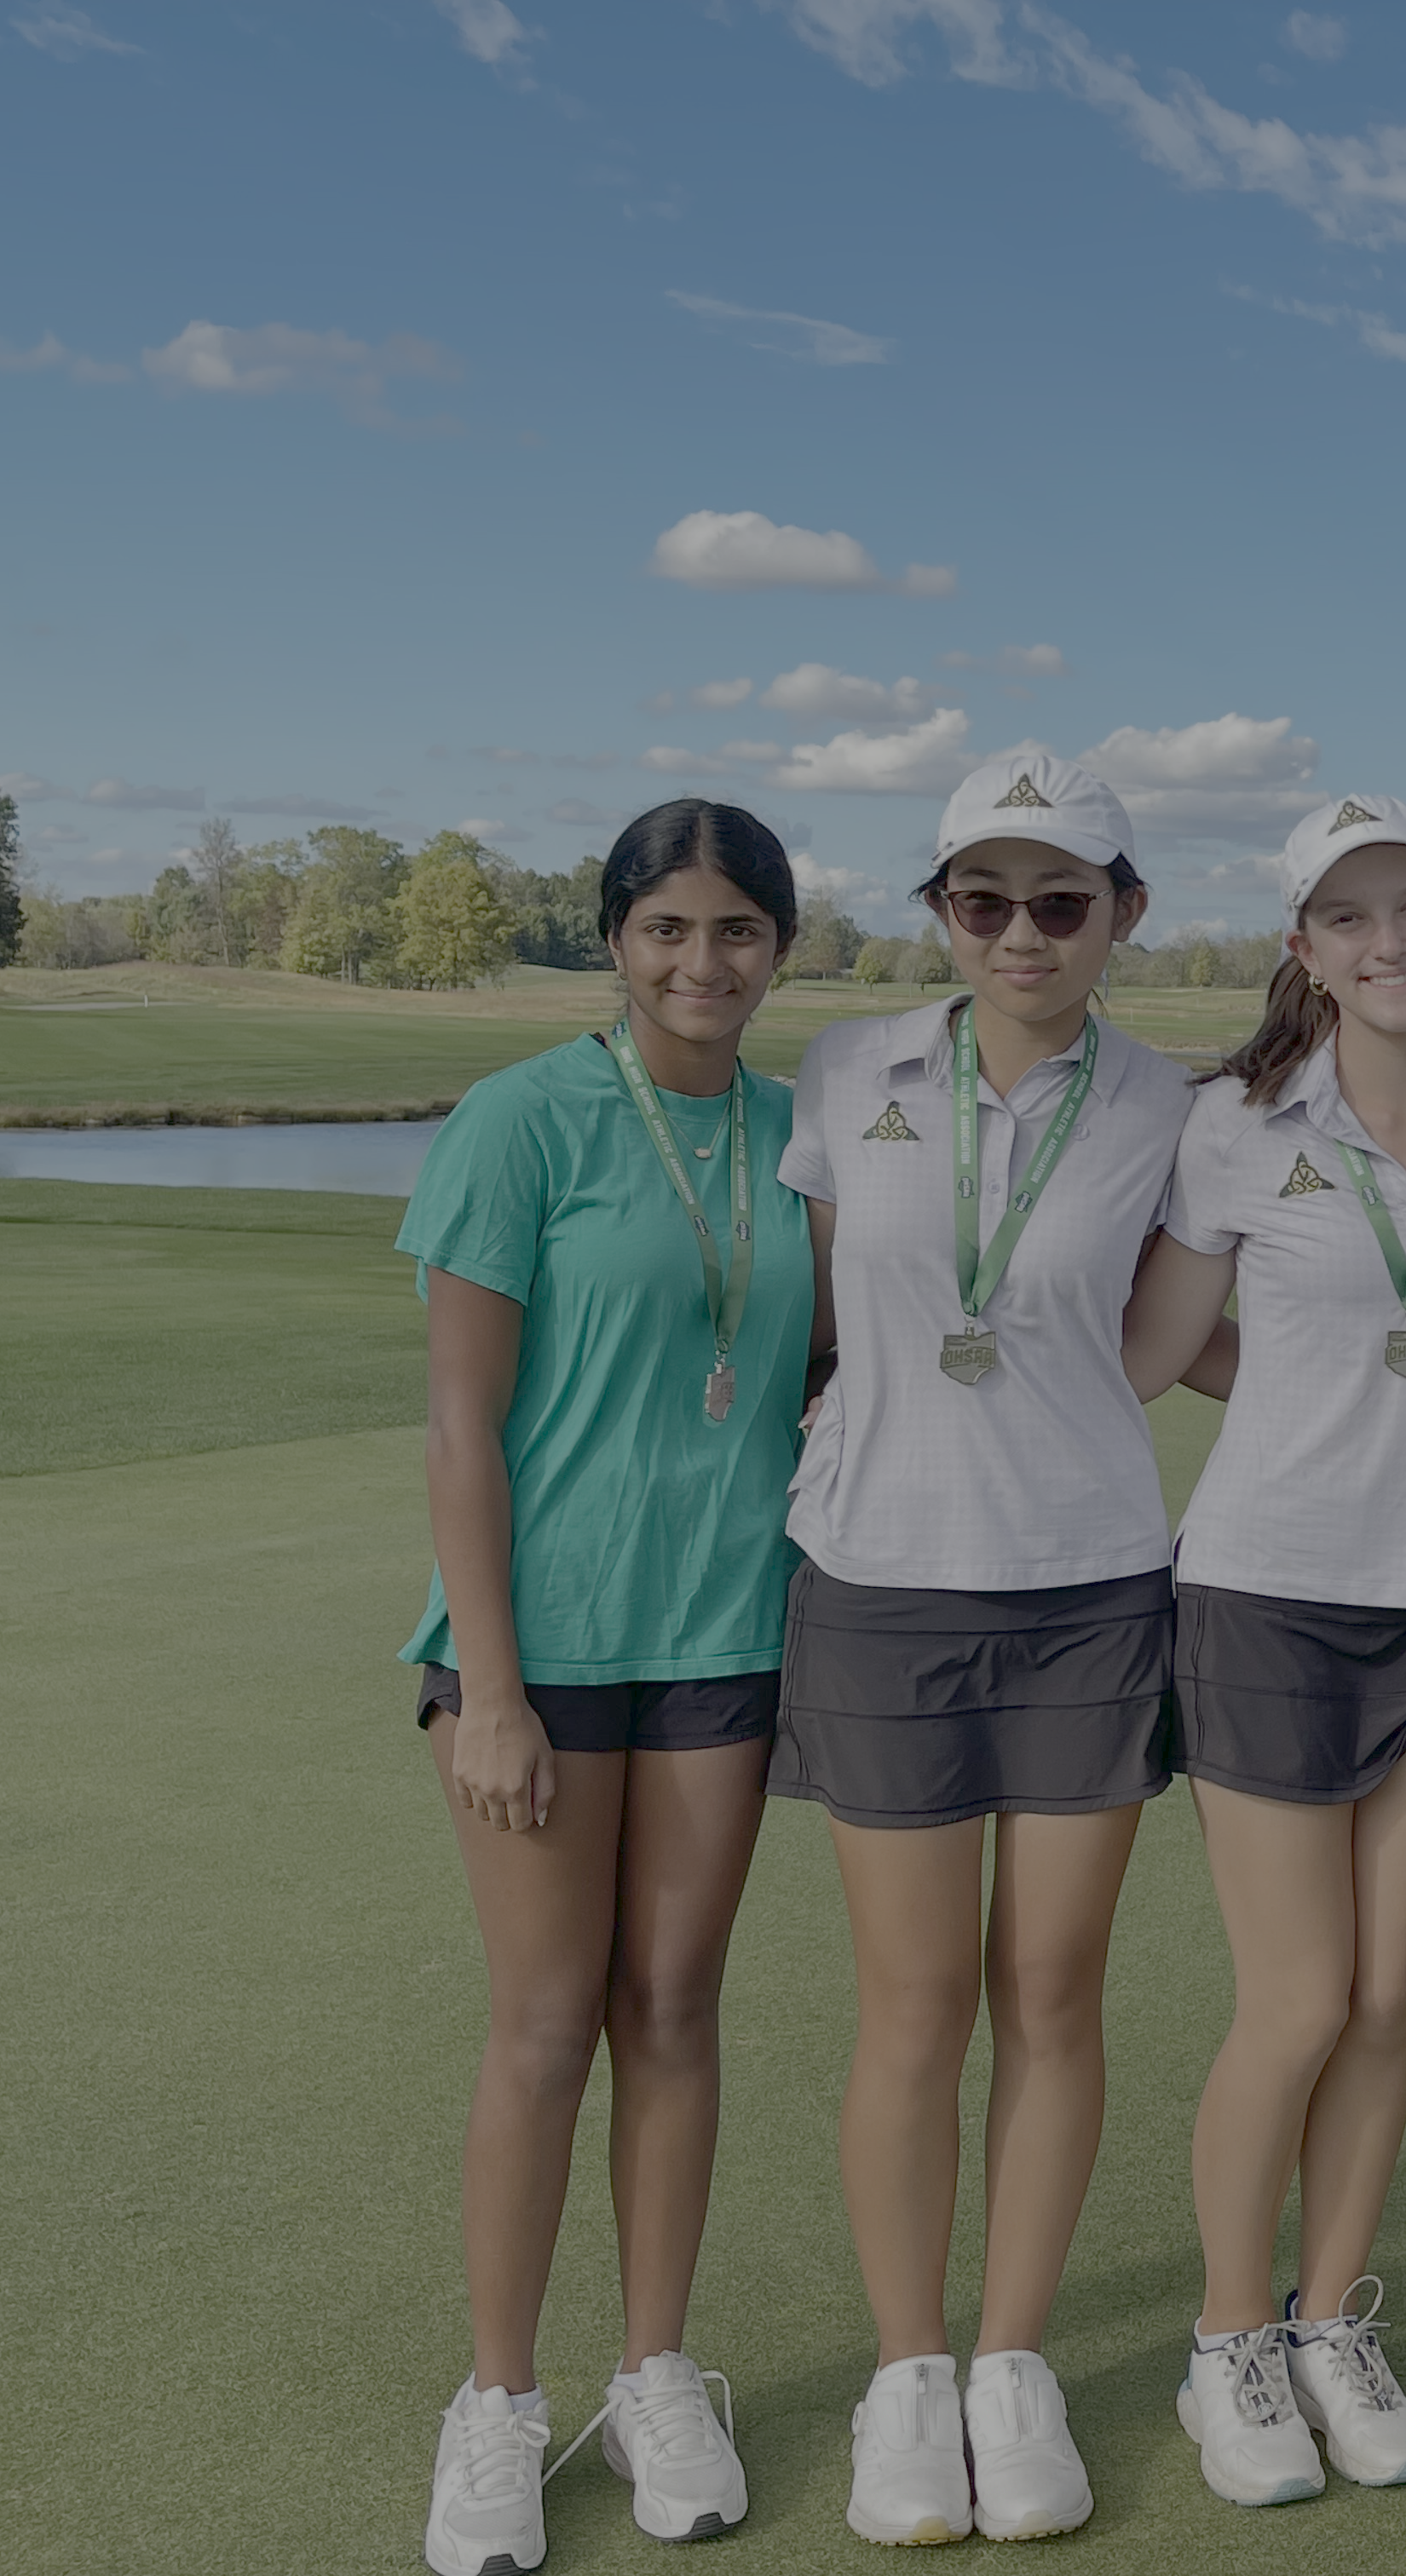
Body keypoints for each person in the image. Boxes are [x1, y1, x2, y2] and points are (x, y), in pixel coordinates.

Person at [1121, 794, 1406, 2507]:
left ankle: (1326, 2322)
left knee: (1386, 2000)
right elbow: (1159, 1347)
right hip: (1263, 1601)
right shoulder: (1235, 1126)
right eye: (1351, 916)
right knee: (1299, 1997)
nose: (1391, 942)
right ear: (1305, 949)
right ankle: (1229, 2338)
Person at [774, 752, 1191, 2549]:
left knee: (1051, 1992)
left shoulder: (1175, 1104)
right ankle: (910, 2372)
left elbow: (1178, 1333)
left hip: (1088, 1585)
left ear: (1123, 913)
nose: (1022, 933)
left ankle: (1013, 2364)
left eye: (1062, 900)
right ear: (940, 910)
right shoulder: (848, 1069)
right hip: (879, 1581)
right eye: (984, 899)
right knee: (915, 2003)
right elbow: (811, 1314)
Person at [401, 800, 815, 2576]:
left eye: (737, 930)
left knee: (673, 2009)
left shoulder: (803, 1137)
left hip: (725, 1634)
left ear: (779, 948)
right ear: (617, 941)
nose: (702, 963)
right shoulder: (522, 1120)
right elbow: (459, 1423)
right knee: (547, 2023)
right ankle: (499, 2402)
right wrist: (487, 1688)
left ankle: (656, 2373)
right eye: (668, 928)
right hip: (544, 1649)